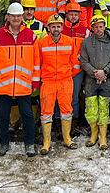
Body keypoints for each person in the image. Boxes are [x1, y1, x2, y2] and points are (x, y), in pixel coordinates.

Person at [0, 3, 41, 157]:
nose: (16, 19)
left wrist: (35, 81)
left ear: (22, 17)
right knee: (3, 115)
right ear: (8, 17)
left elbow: (36, 60)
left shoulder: (30, 36)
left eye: (18, 16)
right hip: (3, 84)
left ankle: (29, 144)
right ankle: (4, 143)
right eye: (13, 16)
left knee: (27, 114)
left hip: (23, 83)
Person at [37, 14, 80, 155]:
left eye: (58, 26)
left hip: (65, 81)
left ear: (62, 27)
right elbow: (38, 63)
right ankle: (46, 142)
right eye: (53, 26)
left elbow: (75, 63)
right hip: (48, 82)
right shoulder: (42, 43)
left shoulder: (69, 41)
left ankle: (67, 138)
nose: (56, 29)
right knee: (46, 113)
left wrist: (67, 75)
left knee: (67, 111)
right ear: (48, 28)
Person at [80, 15, 110, 149]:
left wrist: (105, 72)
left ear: (105, 26)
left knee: (104, 108)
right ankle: (93, 134)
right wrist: (95, 73)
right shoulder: (86, 42)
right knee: (91, 108)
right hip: (91, 80)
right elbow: (84, 61)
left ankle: (102, 137)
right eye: (96, 27)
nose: (98, 29)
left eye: (101, 26)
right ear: (92, 28)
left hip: (106, 79)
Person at [62, 2, 89, 133]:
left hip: (78, 70)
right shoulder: (60, 29)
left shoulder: (85, 31)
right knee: (62, 97)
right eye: (71, 14)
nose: (73, 17)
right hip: (62, 69)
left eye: (75, 14)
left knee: (74, 97)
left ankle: (74, 123)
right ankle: (61, 123)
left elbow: (88, 50)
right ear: (66, 14)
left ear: (79, 15)